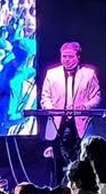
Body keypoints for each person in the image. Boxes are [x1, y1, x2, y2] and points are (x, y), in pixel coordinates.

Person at [41, 42, 101, 184]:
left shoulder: (88, 74)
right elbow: (45, 97)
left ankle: (80, 186)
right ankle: (58, 188)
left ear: (78, 57)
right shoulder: (52, 74)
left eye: (70, 56)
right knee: (57, 160)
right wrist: (51, 108)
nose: (66, 59)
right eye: (64, 56)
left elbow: (96, 96)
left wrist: (85, 106)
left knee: (81, 158)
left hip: (80, 123)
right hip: (58, 123)